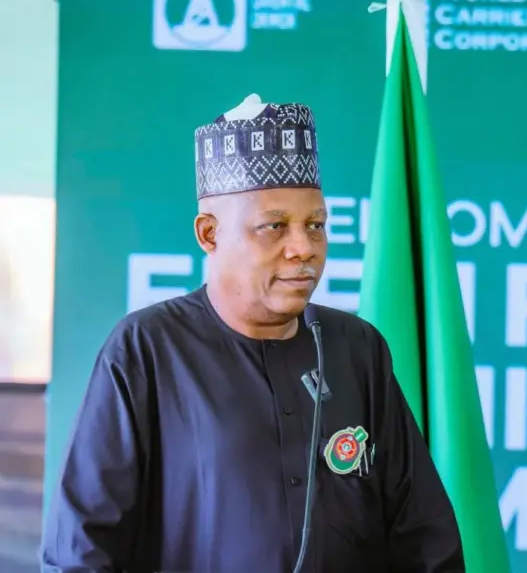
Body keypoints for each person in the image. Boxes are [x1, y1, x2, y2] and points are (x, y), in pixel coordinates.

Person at [41, 94, 465, 572]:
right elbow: (81, 551)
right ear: (209, 233)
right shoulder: (147, 350)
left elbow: (424, 538)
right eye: (274, 226)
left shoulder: (357, 349)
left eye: (316, 225)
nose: (303, 247)